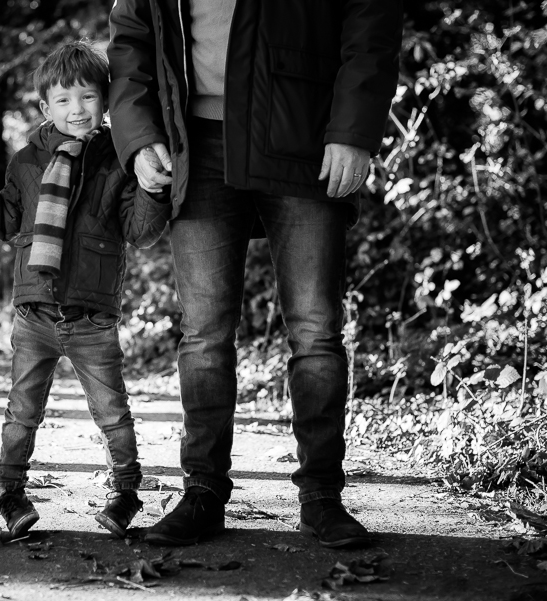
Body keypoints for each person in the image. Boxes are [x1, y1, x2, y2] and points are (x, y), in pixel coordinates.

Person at [107, 0, 402, 547]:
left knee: (316, 330)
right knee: (204, 333)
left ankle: (321, 496)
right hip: (195, 143)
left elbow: (369, 21)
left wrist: (354, 131)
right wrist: (138, 134)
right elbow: (131, 39)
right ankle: (202, 493)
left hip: (304, 131)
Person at [0, 41, 171, 539]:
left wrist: (154, 188)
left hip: (91, 317)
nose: (77, 110)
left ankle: (126, 493)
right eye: (64, 100)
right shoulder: (27, 161)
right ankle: (10, 494)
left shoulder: (119, 160)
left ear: (106, 103)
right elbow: (5, 219)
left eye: (88, 98)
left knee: (112, 411)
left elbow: (139, 230)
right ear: (46, 108)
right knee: (21, 411)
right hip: (34, 313)